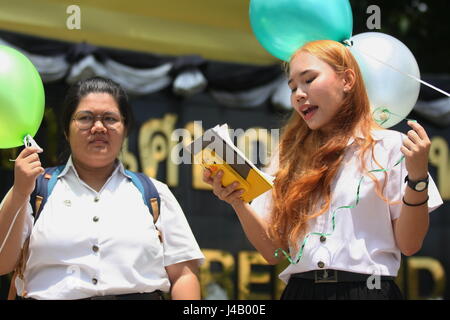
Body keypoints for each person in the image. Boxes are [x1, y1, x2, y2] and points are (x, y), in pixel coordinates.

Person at [203, 40, 443, 300]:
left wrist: (417, 178)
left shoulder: (390, 146)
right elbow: (273, 253)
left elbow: (409, 244)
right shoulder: (288, 155)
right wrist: (238, 201)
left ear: (347, 80)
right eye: (293, 86)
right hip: (300, 291)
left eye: (309, 79)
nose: (298, 93)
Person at [0, 76, 204, 300]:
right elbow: (2, 264)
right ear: (67, 131)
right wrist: (19, 193)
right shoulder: (34, 188)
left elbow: (184, 276)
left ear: (125, 129)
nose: (98, 127)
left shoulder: (154, 193)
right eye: (85, 118)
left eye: (109, 118)